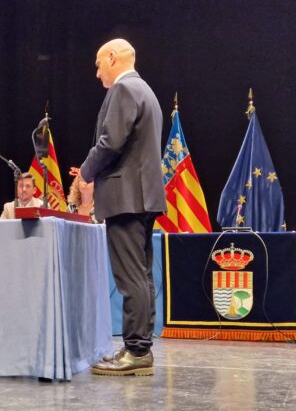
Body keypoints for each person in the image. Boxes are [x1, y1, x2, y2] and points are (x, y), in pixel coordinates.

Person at [80, 38, 166, 376]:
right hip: (142, 196)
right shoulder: (147, 91)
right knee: (141, 276)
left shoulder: (124, 89)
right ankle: (139, 346)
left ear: (112, 58)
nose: (97, 72)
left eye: (98, 63)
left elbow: (110, 142)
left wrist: (85, 173)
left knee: (131, 278)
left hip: (126, 197)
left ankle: (137, 351)